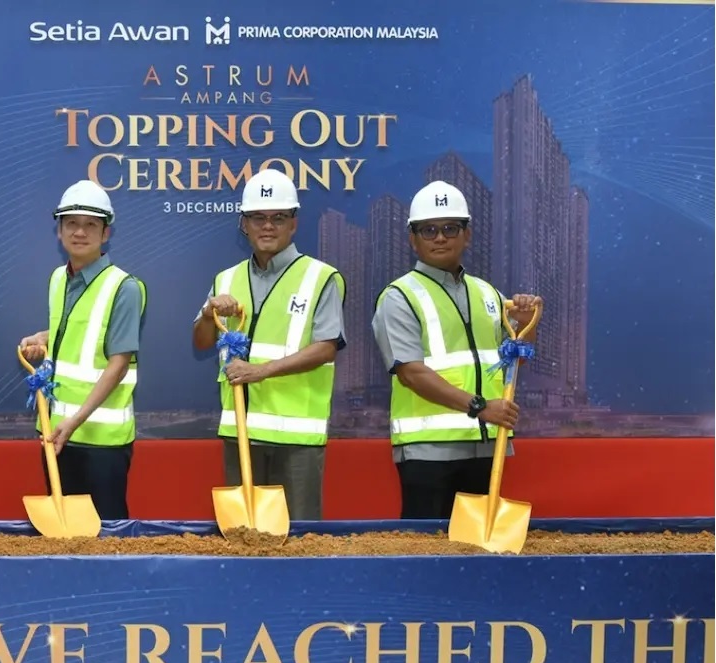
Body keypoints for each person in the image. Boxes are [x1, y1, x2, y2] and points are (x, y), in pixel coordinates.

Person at [371, 180, 542, 520]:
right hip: (428, 450)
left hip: (485, 445)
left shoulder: (487, 293)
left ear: (468, 234)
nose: (439, 237)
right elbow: (411, 374)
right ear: (412, 239)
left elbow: (516, 357)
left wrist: (527, 323)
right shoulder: (399, 296)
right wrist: (480, 407)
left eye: (450, 228)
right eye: (428, 229)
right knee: (427, 553)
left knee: (476, 553)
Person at [191, 168, 347, 521]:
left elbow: (326, 347)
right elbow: (201, 341)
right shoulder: (226, 278)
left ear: (294, 223)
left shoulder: (321, 277)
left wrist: (259, 371)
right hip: (240, 434)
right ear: (244, 223)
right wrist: (207, 312)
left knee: (298, 545)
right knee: (243, 538)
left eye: (278, 217)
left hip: (296, 439)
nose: (267, 225)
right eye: (258, 217)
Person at [19, 180, 146, 520]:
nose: (80, 232)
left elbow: (118, 363)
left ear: (106, 233)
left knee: (106, 540)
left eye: (91, 224)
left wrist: (76, 420)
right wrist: (44, 337)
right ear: (59, 230)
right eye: (71, 223)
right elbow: (79, 328)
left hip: (101, 442)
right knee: (64, 535)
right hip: (58, 431)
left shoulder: (125, 287)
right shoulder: (58, 279)